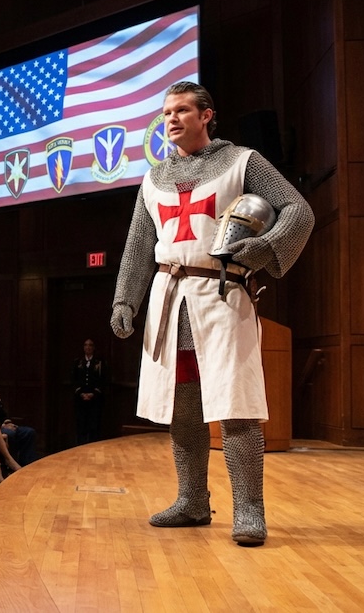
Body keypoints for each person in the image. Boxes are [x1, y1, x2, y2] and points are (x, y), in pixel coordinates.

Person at [110, 81, 313, 546]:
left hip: (220, 297)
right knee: (183, 406)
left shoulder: (242, 162)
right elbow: (139, 245)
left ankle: (248, 509)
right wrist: (125, 299)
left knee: (235, 405)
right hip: (170, 298)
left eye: (182, 110)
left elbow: (298, 213)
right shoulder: (153, 178)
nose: (171, 119)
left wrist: (261, 249)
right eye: (166, 113)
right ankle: (192, 500)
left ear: (207, 115)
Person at [71, 340, 105, 445]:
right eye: (86, 345)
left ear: (93, 348)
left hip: (95, 399)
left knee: (93, 423)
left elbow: (104, 380)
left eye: (90, 345)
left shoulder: (99, 363)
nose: (88, 347)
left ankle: (93, 444)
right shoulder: (78, 362)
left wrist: (93, 394)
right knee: (81, 423)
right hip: (80, 399)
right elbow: (73, 379)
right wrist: (81, 393)